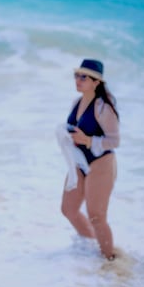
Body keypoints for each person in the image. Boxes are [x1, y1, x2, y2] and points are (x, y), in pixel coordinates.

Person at [59, 59, 120, 261]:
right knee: (68, 209)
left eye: (84, 77)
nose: (78, 80)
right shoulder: (77, 102)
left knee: (96, 215)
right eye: (77, 75)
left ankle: (110, 262)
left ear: (96, 82)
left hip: (101, 162)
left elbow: (114, 140)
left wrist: (87, 139)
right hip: (79, 161)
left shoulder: (104, 106)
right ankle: (91, 246)